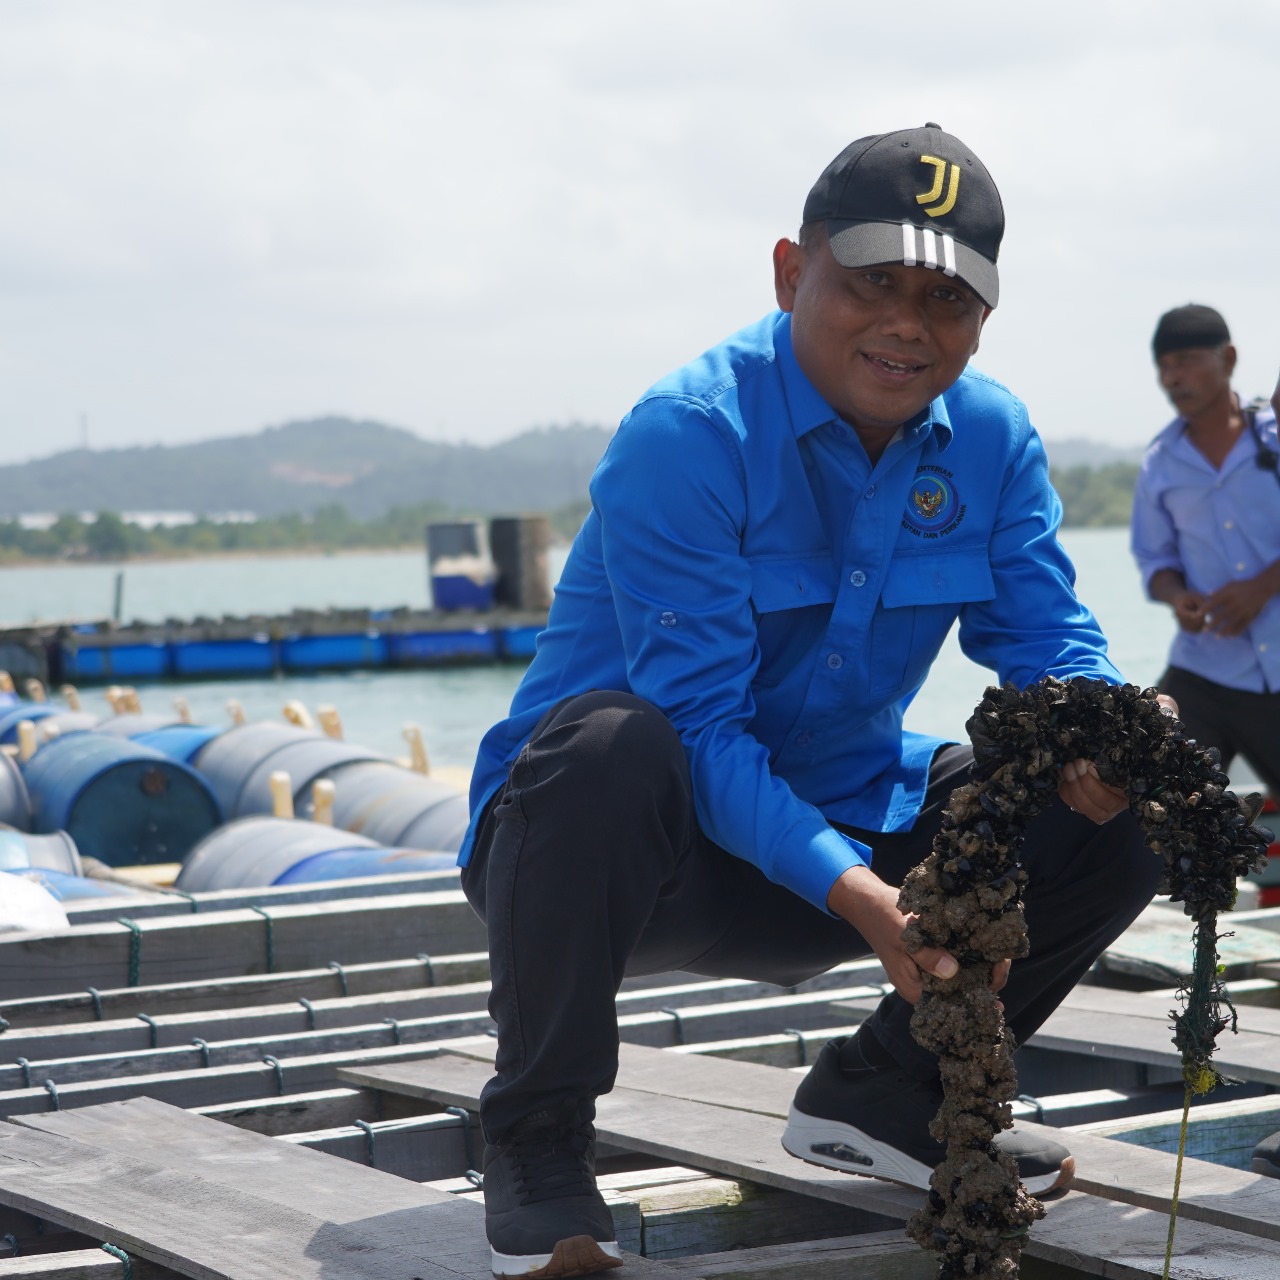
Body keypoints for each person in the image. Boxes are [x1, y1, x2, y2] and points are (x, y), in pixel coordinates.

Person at [460, 123, 1164, 1278]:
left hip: (844, 829)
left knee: (1119, 792)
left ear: (983, 318)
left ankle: (890, 1093)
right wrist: (863, 898)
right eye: (870, 282)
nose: (905, 323)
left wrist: (1110, 730)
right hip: (620, 857)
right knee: (608, 742)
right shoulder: (688, 435)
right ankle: (535, 1138)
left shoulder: (989, 438)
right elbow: (695, 726)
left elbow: (1047, 641)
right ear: (792, 272)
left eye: (945, 298)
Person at [1130, 305, 1280, 796]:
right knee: (1151, 791)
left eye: (1188, 360)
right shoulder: (1159, 465)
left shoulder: (1274, 439)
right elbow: (1156, 563)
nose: (1173, 377)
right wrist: (1178, 599)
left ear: (1229, 358)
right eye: (1165, 366)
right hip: (1204, 672)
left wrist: (1263, 586)